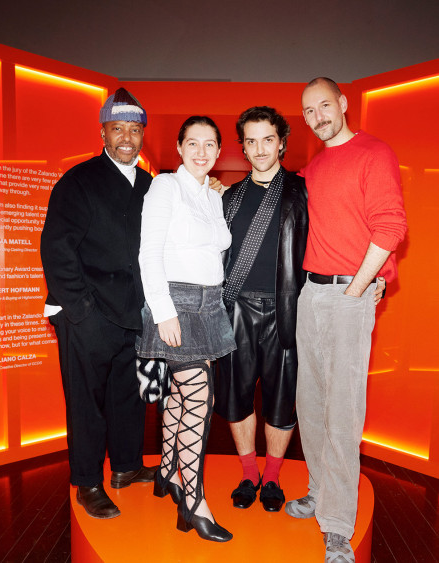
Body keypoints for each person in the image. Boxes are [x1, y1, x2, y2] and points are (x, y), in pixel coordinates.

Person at [286, 77, 406, 563]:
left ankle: (337, 526)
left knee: (342, 413)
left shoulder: (374, 152)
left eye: (323, 105)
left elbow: (391, 225)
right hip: (310, 295)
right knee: (310, 406)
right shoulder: (314, 167)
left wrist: (358, 289)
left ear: (342, 103)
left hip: (346, 297)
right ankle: (319, 492)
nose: (316, 116)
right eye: (307, 111)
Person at [40, 88, 155, 520]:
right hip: (87, 314)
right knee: (85, 401)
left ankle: (126, 467)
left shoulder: (150, 185)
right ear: (103, 132)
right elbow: (56, 248)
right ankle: (87, 481)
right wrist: (81, 310)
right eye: (118, 128)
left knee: (129, 395)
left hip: (133, 313)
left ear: (143, 134)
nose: (127, 137)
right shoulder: (79, 180)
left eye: (135, 129)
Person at [138, 116, 235, 542]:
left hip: (209, 304)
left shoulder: (211, 196)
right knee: (200, 392)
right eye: (192, 143)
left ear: (218, 150)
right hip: (175, 304)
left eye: (209, 144)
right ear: (179, 147)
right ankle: (193, 502)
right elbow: (148, 252)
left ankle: (167, 473)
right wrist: (163, 311)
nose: (201, 151)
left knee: (181, 394)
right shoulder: (165, 186)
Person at [213, 106, 308, 513]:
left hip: (288, 309)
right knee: (235, 397)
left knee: (281, 399)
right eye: (250, 141)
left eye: (267, 139)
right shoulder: (227, 198)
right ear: (243, 147)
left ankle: (272, 476)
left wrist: (376, 277)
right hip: (234, 309)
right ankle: (248, 472)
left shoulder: (303, 191)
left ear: (282, 142)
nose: (259, 149)